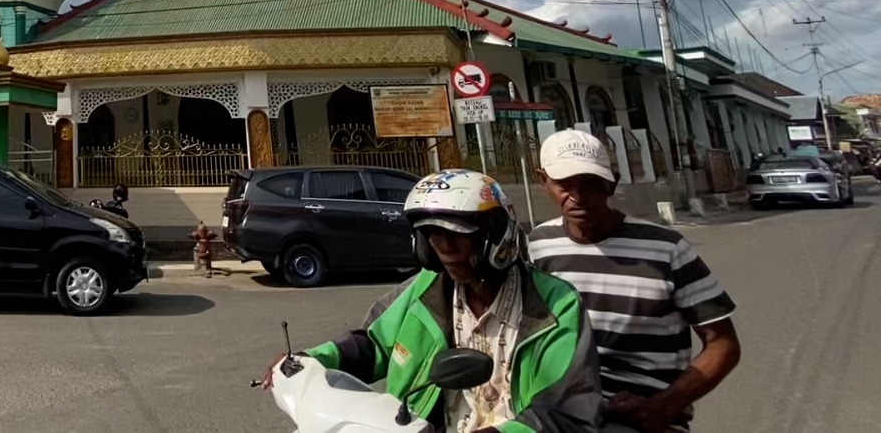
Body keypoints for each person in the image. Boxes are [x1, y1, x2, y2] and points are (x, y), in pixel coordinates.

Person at [264, 169, 602, 433]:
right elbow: (374, 345)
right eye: (433, 236)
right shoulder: (427, 289)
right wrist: (308, 361)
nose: (445, 248)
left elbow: (565, 411)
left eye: (457, 233)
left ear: (496, 234)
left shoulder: (555, 306)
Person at [529, 130, 741, 433]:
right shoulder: (538, 246)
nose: (577, 196)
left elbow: (723, 344)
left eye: (590, 183)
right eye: (564, 183)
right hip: (559, 414)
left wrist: (664, 406)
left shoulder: (667, 249)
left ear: (611, 183)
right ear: (543, 181)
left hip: (644, 418)